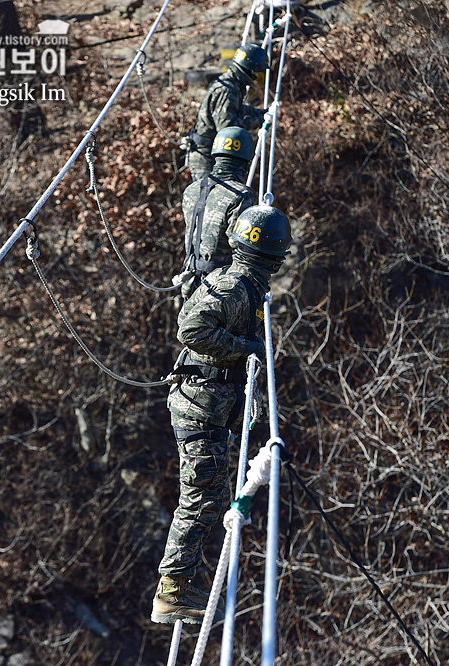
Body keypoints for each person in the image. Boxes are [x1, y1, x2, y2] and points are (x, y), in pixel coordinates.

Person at [152, 205, 292, 625]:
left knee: (206, 495)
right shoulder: (232, 286)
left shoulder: (243, 285)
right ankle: (173, 589)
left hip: (208, 406)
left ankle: (179, 583)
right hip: (199, 407)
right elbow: (191, 329)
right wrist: (245, 349)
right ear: (275, 256)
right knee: (200, 498)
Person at [174, 126, 256, 299]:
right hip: (220, 290)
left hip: (190, 284)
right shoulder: (241, 195)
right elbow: (241, 249)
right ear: (246, 160)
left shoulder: (192, 189)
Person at [182, 44, 271, 181]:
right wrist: (255, 121)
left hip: (211, 152)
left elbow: (236, 109)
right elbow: (226, 129)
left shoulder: (233, 83)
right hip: (206, 155)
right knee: (208, 199)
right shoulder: (228, 89)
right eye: (257, 71)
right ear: (250, 68)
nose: (257, 75)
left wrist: (262, 114)